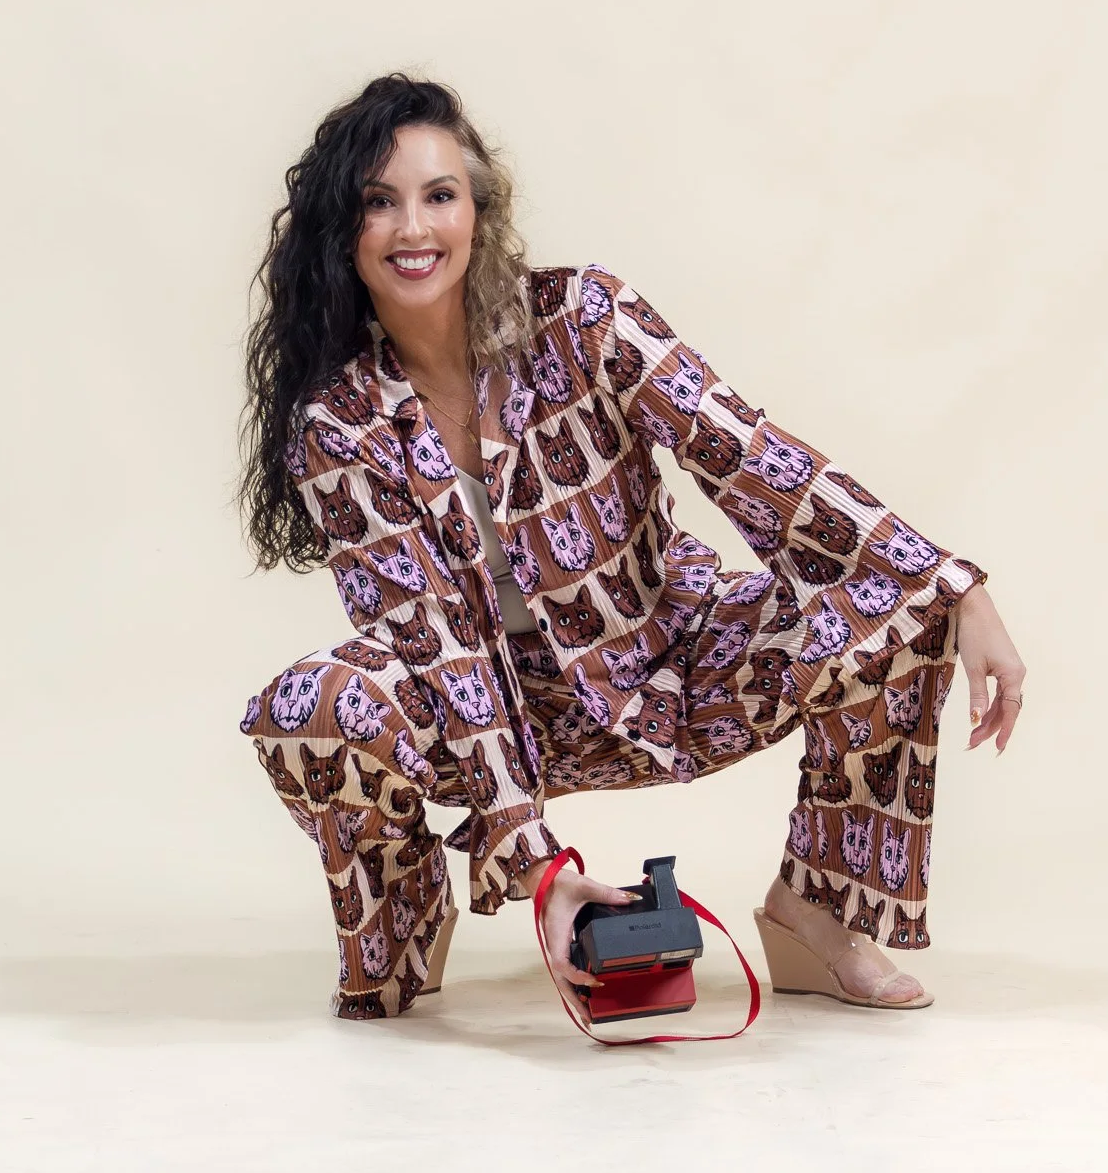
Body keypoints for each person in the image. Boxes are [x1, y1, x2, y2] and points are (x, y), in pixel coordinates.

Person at [235, 73, 1027, 1021]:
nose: (414, 228)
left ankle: (817, 910)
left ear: (478, 212)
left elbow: (746, 455)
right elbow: (434, 640)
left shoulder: (584, 319)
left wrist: (955, 590)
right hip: (489, 716)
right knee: (312, 706)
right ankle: (403, 914)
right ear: (341, 229)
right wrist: (538, 873)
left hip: (667, 661)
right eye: (379, 201)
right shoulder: (339, 422)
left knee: (898, 595)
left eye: (439, 195)